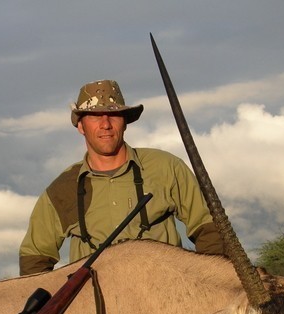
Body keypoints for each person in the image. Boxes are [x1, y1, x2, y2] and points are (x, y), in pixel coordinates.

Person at [19, 79, 225, 275]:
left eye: (114, 115)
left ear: (125, 122)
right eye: (95, 116)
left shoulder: (166, 167)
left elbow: (208, 228)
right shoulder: (62, 189)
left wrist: (210, 285)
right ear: (81, 126)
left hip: (166, 299)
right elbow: (35, 258)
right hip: (93, 305)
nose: (105, 124)